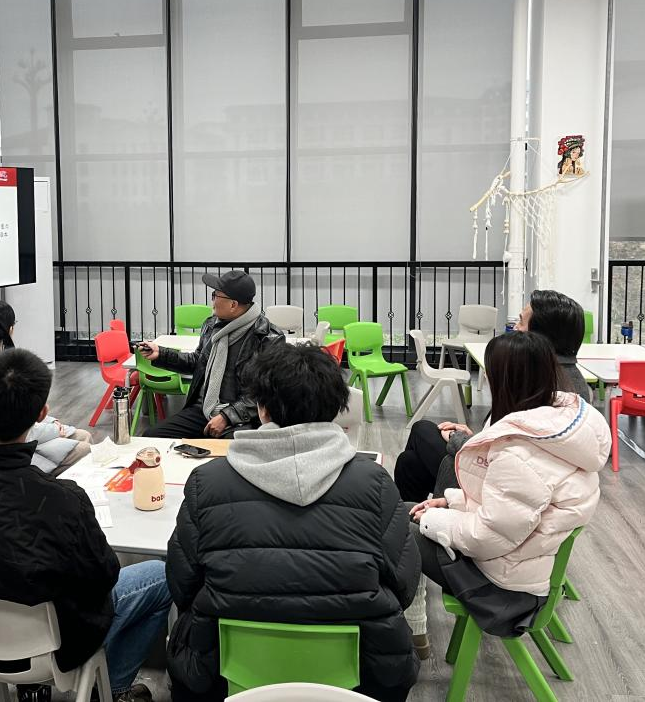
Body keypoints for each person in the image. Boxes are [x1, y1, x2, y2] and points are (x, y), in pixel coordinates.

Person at [166, 344, 421, 702]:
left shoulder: (206, 482)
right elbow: (405, 585)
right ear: (335, 408)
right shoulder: (374, 483)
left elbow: (181, 585)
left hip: (219, 676)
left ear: (262, 408)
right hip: (367, 677)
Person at [0, 347, 172, 702]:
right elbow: (103, 576)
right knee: (162, 576)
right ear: (41, 414)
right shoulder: (62, 500)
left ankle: (35, 688)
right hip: (57, 646)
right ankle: (113, 689)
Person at [404, 332, 610, 654]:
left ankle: (411, 630)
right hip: (520, 565)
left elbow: (486, 537)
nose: (486, 378)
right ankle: (411, 627)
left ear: (506, 380)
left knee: (398, 524)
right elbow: (507, 515)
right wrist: (452, 501)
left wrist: (436, 519)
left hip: (503, 591)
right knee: (410, 501)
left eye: (490, 372)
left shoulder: (518, 452)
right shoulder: (557, 428)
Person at [394, 288, 593, 504]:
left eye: (521, 322)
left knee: (421, 430)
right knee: (409, 463)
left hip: (496, 487)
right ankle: (414, 516)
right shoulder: (569, 380)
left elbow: (503, 458)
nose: (515, 328)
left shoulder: (543, 385)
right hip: (497, 469)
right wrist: (477, 437)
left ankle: (429, 514)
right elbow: (506, 439)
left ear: (541, 336)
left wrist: (460, 439)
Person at [140, 270, 284, 439]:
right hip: (204, 409)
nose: (212, 301)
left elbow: (265, 392)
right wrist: (161, 354)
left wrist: (227, 416)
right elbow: (198, 362)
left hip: (242, 419)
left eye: (215, 296)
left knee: (227, 450)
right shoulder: (211, 325)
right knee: (152, 436)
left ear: (233, 305)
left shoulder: (268, 337)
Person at [0, 298, 90, 474]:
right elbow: (11, 427)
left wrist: (52, 423)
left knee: (83, 436)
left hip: (5, 441)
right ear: (10, 329)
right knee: (84, 447)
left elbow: (18, 410)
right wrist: (54, 429)